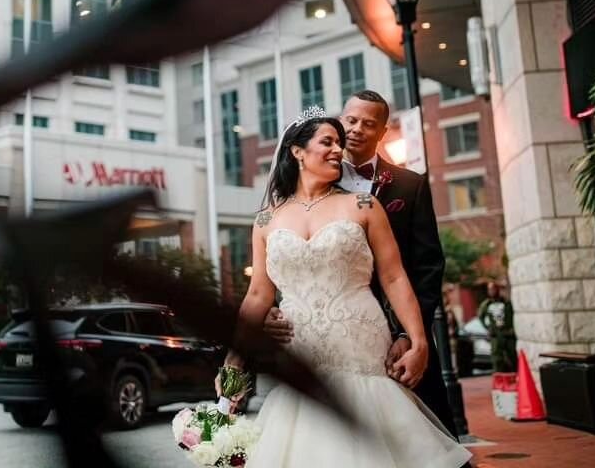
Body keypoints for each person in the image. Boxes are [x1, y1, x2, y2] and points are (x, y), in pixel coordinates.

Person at [220, 107, 470, 467]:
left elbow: (394, 277)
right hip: (301, 354)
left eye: (339, 142)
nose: (338, 149)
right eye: (327, 142)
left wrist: (418, 341)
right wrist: (233, 359)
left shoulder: (363, 205)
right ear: (297, 151)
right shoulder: (265, 220)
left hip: (360, 348)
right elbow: (258, 293)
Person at [263, 90, 457, 436]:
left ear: (383, 132)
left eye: (368, 124)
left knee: (418, 433)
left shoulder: (408, 186)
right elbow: (288, 262)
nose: (355, 130)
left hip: (390, 329)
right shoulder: (304, 187)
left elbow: (425, 268)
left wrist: (408, 334)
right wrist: (275, 310)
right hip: (317, 337)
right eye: (350, 120)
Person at [478, 281, 516, 372]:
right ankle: (499, 378)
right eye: (490, 289)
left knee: (512, 356)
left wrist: (512, 328)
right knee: (497, 358)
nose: (492, 291)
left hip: (507, 333)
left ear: (497, 289)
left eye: (493, 289)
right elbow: (481, 316)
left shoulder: (506, 302)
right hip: (496, 334)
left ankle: (514, 375)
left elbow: (512, 314)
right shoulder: (486, 304)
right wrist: (488, 328)